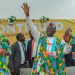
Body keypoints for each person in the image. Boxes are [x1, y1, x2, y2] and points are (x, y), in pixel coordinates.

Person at [21, 3, 66, 75]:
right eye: (48, 28)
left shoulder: (58, 41)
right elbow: (32, 27)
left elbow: (65, 51)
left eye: (51, 28)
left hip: (52, 69)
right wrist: (27, 15)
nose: (49, 29)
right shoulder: (40, 37)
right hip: (40, 69)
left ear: (54, 31)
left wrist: (67, 42)